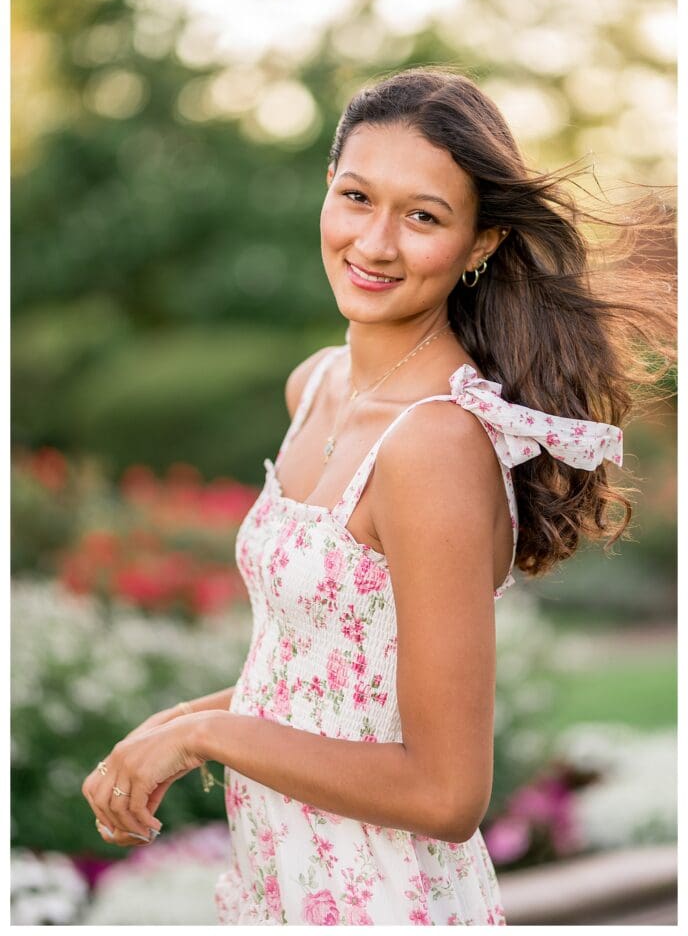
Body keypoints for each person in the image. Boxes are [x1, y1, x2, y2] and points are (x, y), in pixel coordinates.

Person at [82, 67, 675, 925]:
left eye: (423, 216)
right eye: (357, 197)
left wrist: (206, 735)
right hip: (279, 888)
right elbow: (319, 689)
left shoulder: (434, 443)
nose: (376, 242)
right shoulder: (316, 385)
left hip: (386, 902)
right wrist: (173, 725)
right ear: (328, 186)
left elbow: (446, 793)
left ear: (480, 244)